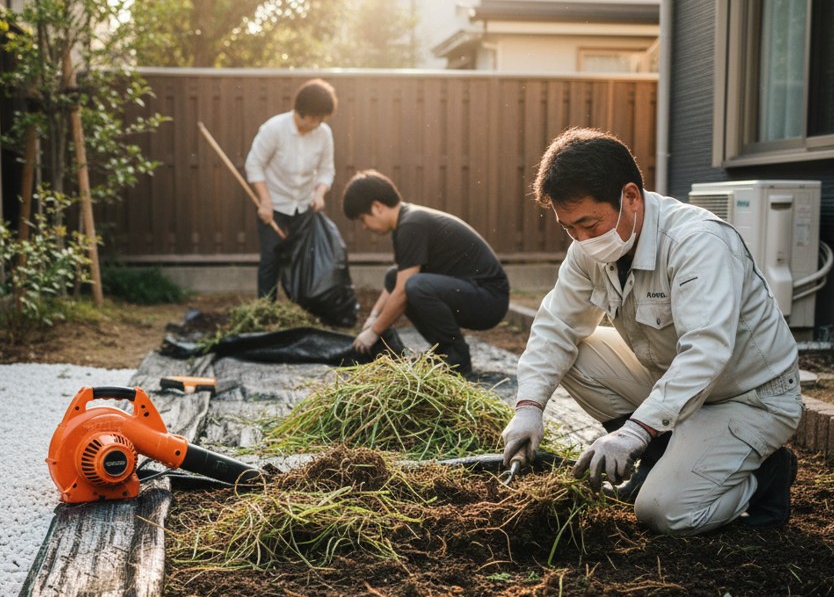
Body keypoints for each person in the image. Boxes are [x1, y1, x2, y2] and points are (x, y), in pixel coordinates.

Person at [501, 127, 803, 535]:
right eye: (569, 228)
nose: (582, 240)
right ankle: (661, 456)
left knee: (663, 513)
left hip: (747, 397)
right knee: (573, 352)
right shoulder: (588, 250)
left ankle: (765, 476)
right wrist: (528, 408)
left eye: (589, 224)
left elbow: (705, 353)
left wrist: (632, 433)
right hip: (672, 380)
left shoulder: (697, 243)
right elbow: (556, 327)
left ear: (630, 197)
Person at [341, 169, 510, 376]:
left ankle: (456, 356)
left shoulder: (411, 224)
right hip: (473, 292)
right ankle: (443, 350)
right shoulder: (405, 222)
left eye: (362, 219)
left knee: (414, 286)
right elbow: (395, 282)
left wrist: (374, 332)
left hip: (490, 299)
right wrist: (373, 317)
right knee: (394, 276)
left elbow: (403, 290)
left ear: (377, 207)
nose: (364, 227)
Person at [245, 78, 337, 299]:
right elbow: (254, 164)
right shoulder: (274, 129)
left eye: (321, 119)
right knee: (271, 259)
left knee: (304, 260)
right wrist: (265, 201)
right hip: (274, 205)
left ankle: (304, 308)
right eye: (314, 118)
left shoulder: (324, 133)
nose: (317, 123)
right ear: (300, 110)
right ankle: (266, 311)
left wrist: (319, 193)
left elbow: (326, 169)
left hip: (304, 206)